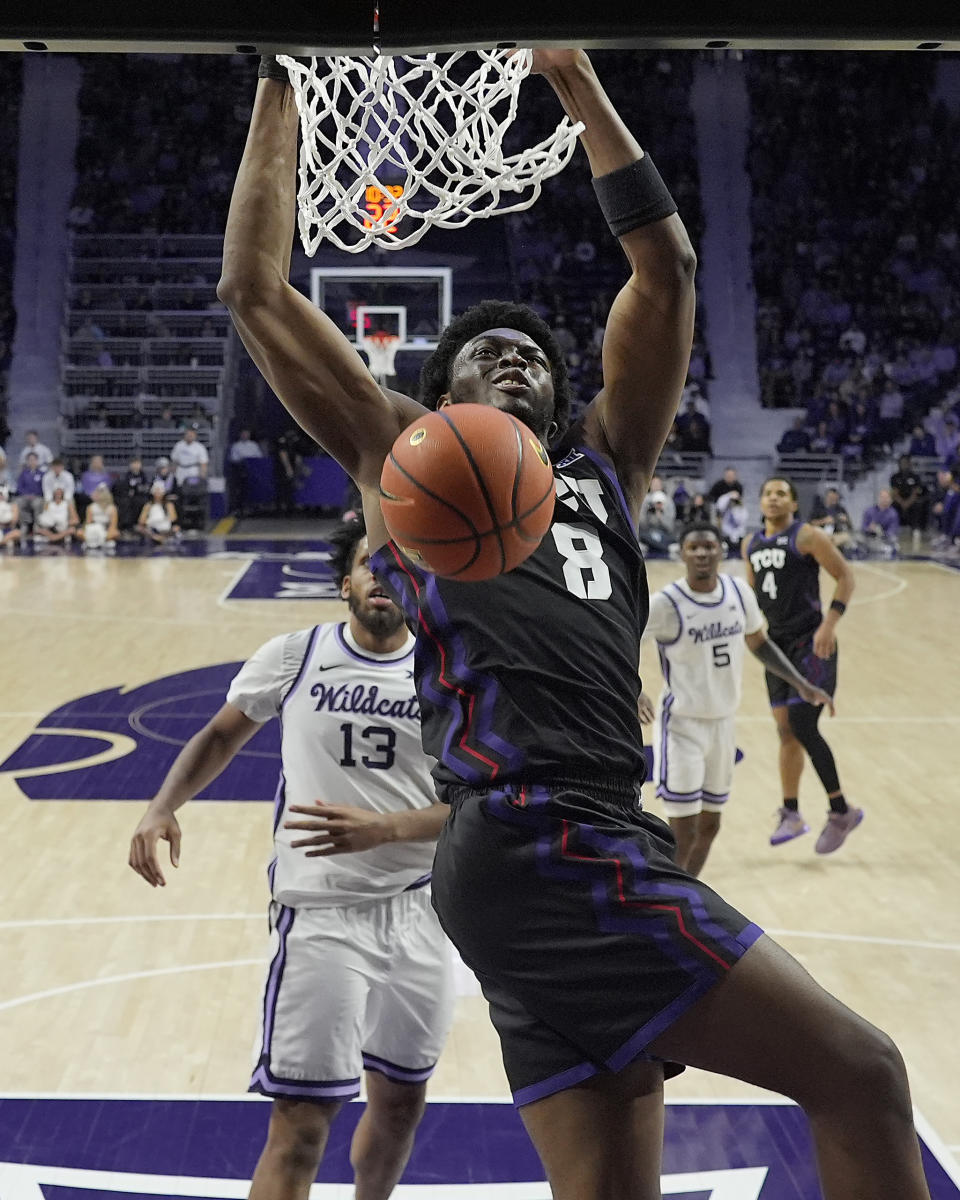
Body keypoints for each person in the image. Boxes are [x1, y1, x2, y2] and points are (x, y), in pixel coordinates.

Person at [218, 50, 930, 1200]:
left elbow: (667, 266)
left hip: (584, 837)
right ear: (438, 392)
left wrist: (573, 74)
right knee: (863, 1075)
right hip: (542, 839)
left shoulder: (605, 467)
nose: (516, 361)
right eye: (485, 354)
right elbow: (255, 292)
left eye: (535, 358)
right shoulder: (397, 463)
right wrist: (281, 78)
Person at [128, 516, 453, 1200]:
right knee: (302, 1125)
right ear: (345, 585)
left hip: (422, 913)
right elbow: (219, 736)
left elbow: (480, 802)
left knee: (400, 1108)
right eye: (370, 564)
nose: (383, 577)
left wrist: (389, 829)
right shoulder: (296, 655)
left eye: (399, 566)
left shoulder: (451, 672)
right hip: (320, 915)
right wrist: (163, 806)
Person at [639, 524, 833, 876]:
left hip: (724, 724)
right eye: (694, 547)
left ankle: (686, 894)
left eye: (708, 546)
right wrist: (633, 686)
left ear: (720, 551)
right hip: (682, 726)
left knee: (711, 826)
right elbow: (624, 637)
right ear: (682, 553)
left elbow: (759, 642)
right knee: (682, 832)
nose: (701, 553)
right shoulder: (666, 603)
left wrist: (801, 683)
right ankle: (663, 906)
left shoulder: (738, 592)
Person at [744, 478, 864, 854]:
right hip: (776, 645)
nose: (774, 499)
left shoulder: (807, 536)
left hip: (811, 641)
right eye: (768, 493)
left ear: (793, 503)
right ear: (760, 502)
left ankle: (840, 810)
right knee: (784, 731)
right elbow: (752, 596)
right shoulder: (751, 544)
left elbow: (846, 577)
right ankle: (792, 813)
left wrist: (829, 626)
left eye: (782, 493)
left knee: (802, 723)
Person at [889, 455, 929, 546]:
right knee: (892, 506)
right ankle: (893, 529)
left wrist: (908, 503)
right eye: (902, 463)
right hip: (899, 501)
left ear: (910, 464)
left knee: (918, 505)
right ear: (899, 464)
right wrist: (902, 502)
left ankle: (916, 529)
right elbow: (894, 493)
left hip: (911, 500)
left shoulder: (915, 477)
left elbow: (916, 492)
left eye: (906, 463)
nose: (904, 465)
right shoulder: (894, 477)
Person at [809, 486, 857, 554]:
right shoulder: (818, 509)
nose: (834, 500)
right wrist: (824, 521)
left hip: (836, 536)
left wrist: (846, 520)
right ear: (826, 497)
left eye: (835, 498)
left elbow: (850, 526)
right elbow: (810, 523)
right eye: (831, 498)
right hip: (821, 534)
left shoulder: (840, 509)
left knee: (847, 537)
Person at [137, 480, 180, 545]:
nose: (158, 493)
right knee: (139, 528)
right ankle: (156, 538)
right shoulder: (148, 505)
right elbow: (141, 521)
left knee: (176, 528)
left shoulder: (169, 505)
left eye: (160, 491)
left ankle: (162, 538)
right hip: (152, 530)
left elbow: (173, 519)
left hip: (166, 530)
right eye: (156, 491)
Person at [79, 482, 119, 550]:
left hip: (105, 531)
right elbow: (88, 523)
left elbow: (113, 526)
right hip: (93, 530)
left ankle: (96, 542)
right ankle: (97, 542)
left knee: (116, 533)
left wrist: (105, 534)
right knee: (79, 533)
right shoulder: (91, 507)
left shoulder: (112, 508)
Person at [861, 487, 900, 554]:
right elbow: (863, 527)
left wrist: (881, 532)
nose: (884, 499)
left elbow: (892, 531)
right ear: (878, 498)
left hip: (885, 540)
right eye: (882, 497)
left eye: (886, 497)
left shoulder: (893, 514)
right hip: (869, 539)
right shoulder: (869, 511)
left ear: (891, 500)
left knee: (893, 542)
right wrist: (869, 529)